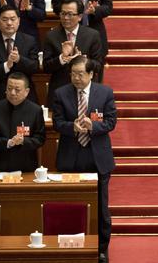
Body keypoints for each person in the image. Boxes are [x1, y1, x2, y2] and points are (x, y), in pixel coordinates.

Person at [52, 55, 116, 263]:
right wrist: (72, 127)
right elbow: (57, 122)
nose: (76, 78)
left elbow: (111, 122)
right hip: (72, 155)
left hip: (97, 156)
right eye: (73, 74)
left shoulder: (105, 92)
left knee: (101, 207)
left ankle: (101, 249)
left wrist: (93, 126)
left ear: (91, 74)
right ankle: (70, 245)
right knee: (70, 204)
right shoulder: (61, 93)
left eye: (80, 74)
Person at [44, 0, 104, 105]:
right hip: (60, 91)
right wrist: (62, 58)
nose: (66, 18)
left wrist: (84, 61)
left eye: (70, 14)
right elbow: (46, 67)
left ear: (80, 17)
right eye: (63, 13)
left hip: (86, 91)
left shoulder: (92, 35)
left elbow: (98, 65)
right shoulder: (51, 36)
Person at [0, 5, 39, 107]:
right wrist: (7, 65)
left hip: (24, 97)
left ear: (18, 21)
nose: (9, 23)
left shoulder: (30, 41)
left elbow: (34, 67)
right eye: (5, 19)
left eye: (12, 19)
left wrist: (19, 59)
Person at [0, 72, 45, 172]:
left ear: (27, 91)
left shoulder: (35, 110)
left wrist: (23, 141)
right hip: (0, 165)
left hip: (26, 165)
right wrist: (8, 142)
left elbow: (40, 138)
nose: (12, 93)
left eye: (17, 90)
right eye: (9, 88)